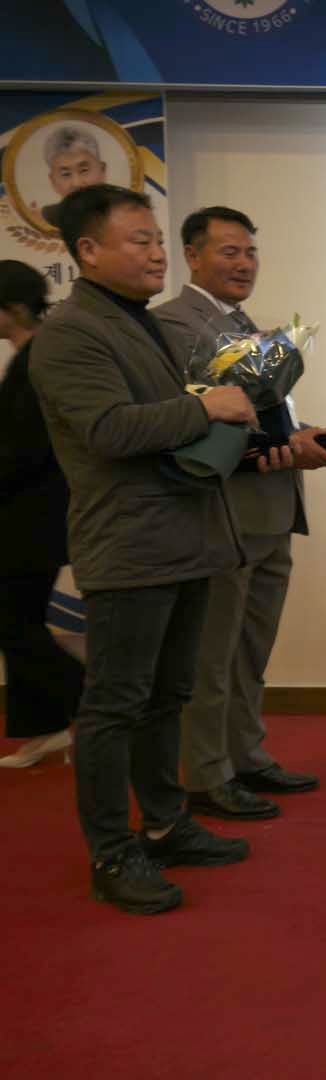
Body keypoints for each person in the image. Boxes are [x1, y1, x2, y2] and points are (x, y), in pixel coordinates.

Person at [29, 184, 272, 915]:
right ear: (87, 251)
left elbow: (178, 427)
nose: (158, 253)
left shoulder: (141, 322)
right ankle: (112, 852)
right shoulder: (70, 333)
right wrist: (205, 405)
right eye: (139, 240)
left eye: (158, 239)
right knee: (115, 706)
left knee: (169, 696)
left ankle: (166, 824)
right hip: (129, 544)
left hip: (187, 538)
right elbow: (109, 430)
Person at [154, 206, 326, 820]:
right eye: (229, 251)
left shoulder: (246, 326)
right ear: (192, 255)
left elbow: (256, 411)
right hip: (222, 512)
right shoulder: (175, 323)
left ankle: (245, 755)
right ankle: (205, 774)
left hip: (270, 507)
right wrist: (280, 445)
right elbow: (196, 420)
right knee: (212, 654)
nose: (244, 264)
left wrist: (300, 436)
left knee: (249, 652)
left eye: (250, 252)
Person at [0, 260, 82, 769]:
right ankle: (45, 729)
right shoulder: (27, 357)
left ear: (12, 308)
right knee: (19, 620)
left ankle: (91, 696)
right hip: (25, 516)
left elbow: (24, 450)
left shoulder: (37, 360)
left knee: (13, 622)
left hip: (31, 519)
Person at [38, 126, 108, 230]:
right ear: (53, 181)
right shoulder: (46, 218)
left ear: (102, 170)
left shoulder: (124, 211)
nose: (77, 183)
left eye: (84, 170)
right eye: (66, 174)